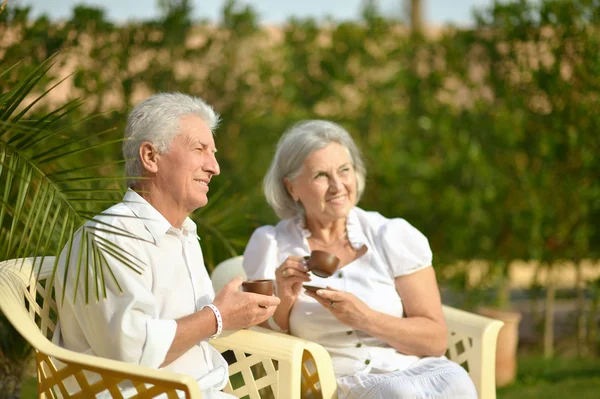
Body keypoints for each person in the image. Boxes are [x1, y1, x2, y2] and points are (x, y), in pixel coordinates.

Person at [53, 92, 280, 399]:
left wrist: (244, 313)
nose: (214, 167)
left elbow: (195, 328)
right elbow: (132, 351)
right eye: (199, 149)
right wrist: (217, 317)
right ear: (151, 157)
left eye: (212, 153)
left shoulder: (185, 234)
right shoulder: (108, 238)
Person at [243, 120, 477, 399]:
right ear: (292, 187)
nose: (337, 186)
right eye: (321, 175)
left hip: (413, 370)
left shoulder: (392, 235)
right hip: (332, 384)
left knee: (456, 382)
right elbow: (257, 345)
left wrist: (363, 317)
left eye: (344, 170)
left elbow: (436, 340)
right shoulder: (270, 244)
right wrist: (285, 298)